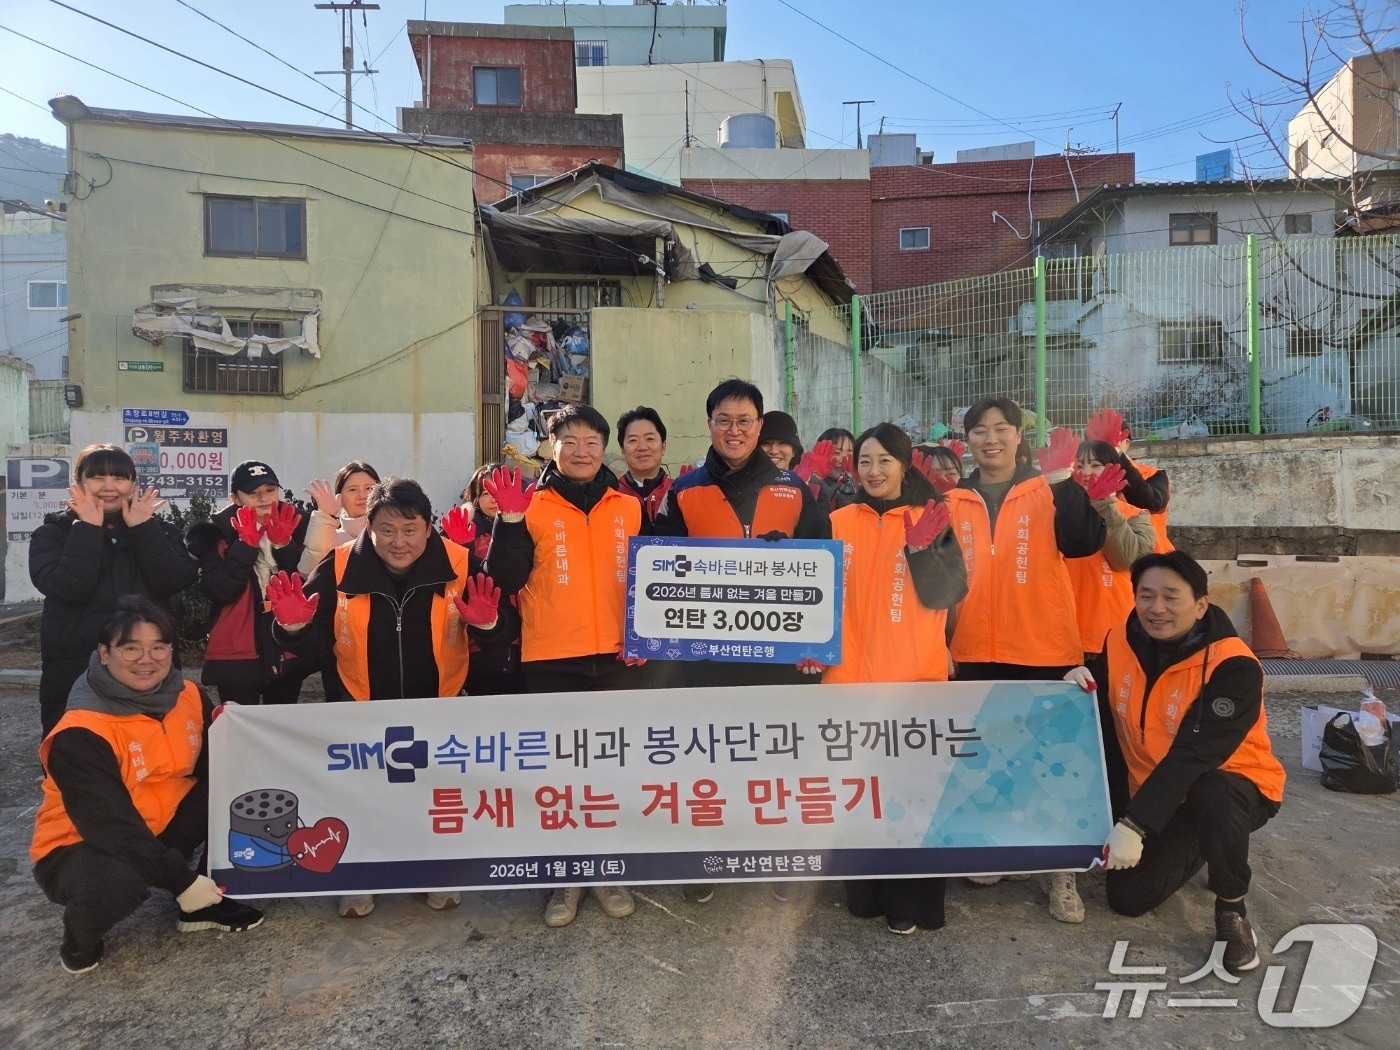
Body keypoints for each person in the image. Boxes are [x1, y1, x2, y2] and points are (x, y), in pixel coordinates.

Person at [268, 476, 506, 919]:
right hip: (360, 706)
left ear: (428, 527)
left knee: (434, 798)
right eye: (387, 529)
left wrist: (490, 626)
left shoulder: (459, 563)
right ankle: (361, 878)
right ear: (369, 526)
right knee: (363, 797)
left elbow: (498, 632)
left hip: (439, 707)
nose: (399, 541)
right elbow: (310, 640)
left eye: (410, 529)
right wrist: (292, 628)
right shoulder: (339, 566)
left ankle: (437, 872)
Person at [652, 379, 830, 905]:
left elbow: (824, 577)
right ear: (709, 424)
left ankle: (778, 859)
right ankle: (707, 861)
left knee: (777, 762)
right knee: (707, 763)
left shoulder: (794, 490)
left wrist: (814, 646)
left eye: (745, 421)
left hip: (777, 663)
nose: (735, 430)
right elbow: (661, 575)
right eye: (724, 420)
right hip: (706, 661)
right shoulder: (683, 493)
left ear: (760, 426)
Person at [1064, 551, 1285, 973]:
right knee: (1127, 900)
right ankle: (1204, 841)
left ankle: (1231, 908)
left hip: (1237, 787)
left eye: (1171, 596)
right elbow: (1106, 713)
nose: (1156, 608)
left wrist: (1134, 825)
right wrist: (1077, 681)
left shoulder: (1233, 665)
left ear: (1201, 605)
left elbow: (1194, 754)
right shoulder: (1120, 639)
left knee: (1212, 790)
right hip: (1160, 793)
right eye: (1146, 596)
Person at [31, 597, 264, 975]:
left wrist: (233, 733)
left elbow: (213, 767)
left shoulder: (186, 693)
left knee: (240, 785)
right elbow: (109, 824)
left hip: (162, 824)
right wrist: (180, 879)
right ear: (104, 654)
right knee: (116, 884)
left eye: (159, 647)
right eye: (131, 648)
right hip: (83, 843)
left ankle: (203, 904)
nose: (147, 659)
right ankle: (79, 941)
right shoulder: (81, 731)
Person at [942, 399, 1105, 924]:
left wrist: (1064, 481)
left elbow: (1084, 543)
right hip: (972, 650)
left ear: (1018, 436)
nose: (991, 439)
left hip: (1042, 647)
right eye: (979, 431)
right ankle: (998, 851)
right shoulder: (954, 500)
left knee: (1052, 762)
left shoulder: (1048, 488)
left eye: (1001, 429)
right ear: (967, 440)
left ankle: (1060, 871)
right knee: (986, 757)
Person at [481, 404, 643, 930]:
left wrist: (650, 637)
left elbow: (661, 579)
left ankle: (608, 870)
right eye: (569, 440)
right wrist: (506, 521)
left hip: (620, 657)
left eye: (592, 441)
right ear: (552, 447)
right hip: (553, 657)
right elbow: (505, 578)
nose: (581, 451)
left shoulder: (630, 506)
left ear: (605, 449)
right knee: (563, 775)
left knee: (612, 771)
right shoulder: (531, 506)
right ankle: (565, 876)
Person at [823, 423, 968, 934]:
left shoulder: (931, 517)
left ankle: (914, 900)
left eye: (885, 460)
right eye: (865, 460)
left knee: (912, 798)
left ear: (905, 466)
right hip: (846, 688)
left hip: (913, 685)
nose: (874, 470)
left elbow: (948, 594)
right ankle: (865, 888)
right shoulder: (838, 519)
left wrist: (924, 551)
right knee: (858, 794)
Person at [30, 444, 198, 738]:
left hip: (148, 666)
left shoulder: (156, 529)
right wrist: (87, 529)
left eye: (119, 478)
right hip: (74, 668)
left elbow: (174, 580)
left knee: (156, 754)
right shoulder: (53, 533)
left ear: (132, 483)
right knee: (80, 758)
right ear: (79, 481)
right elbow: (69, 588)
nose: (109, 487)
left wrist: (144, 529)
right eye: (97, 478)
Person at [185, 460, 308, 706]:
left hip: (285, 643)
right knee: (239, 726)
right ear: (235, 498)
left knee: (281, 725)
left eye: (270, 490)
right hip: (237, 648)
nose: (264, 498)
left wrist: (285, 545)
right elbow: (219, 590)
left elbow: (305, 582)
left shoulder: (299, 525)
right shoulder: (214, 534)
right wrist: (245, 545)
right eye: (253, 492)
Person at [1065, 440, 1157, 661]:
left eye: (1095, 465)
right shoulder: (1058, 511)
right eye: (1078, 466)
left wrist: (1103, 504)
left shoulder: (1135, 515)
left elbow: (1126, 560)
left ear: (1114, 469)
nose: (1086, 472)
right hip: (1063, 634)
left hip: (1113, 632)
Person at [439, 463, 525, 698]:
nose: (493, 498)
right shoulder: (465, 528)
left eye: (498, 490)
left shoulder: (525, 528)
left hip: (525, 633)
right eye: (486, 492)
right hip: (478, 637)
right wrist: (460, 549)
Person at [1086, 408, 1172, 552]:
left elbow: (1151, 503)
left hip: (1150, 562)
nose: (1102, 450)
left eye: (1111, 440)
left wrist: (1115, 456)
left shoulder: (1153, 474)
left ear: (1126, 443)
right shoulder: (1080, 479)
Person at [300, 460, 382, 569]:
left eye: (369, 488)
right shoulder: (332, 538)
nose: (362, 495)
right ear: (340, 498)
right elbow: (309, 570)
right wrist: (324, 517)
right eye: (352, 489)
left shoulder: (394, 532)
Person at [615, 406, 674, 528]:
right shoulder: (611, 495)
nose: (642, 447)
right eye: (633, 440)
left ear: (663, 447)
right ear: (622, 451)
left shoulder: (678, 493)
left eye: (650, 439)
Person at [805, 427, 858, 510]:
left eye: (850, 454)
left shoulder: (862, 487)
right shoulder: (808, 483)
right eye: (836, 453)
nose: (842, 460)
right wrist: (814, 479)